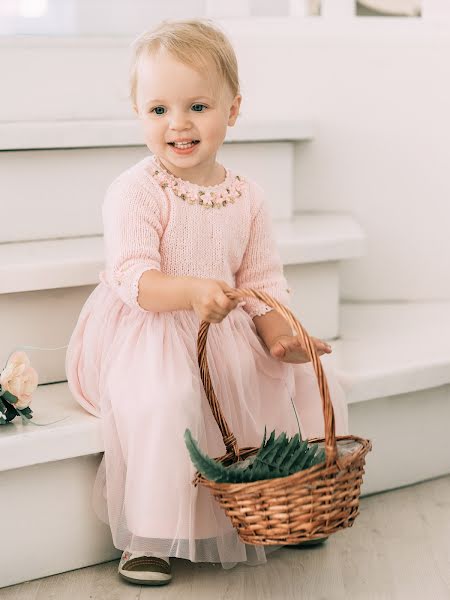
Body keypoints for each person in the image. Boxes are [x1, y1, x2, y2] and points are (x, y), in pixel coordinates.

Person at [65, 18, 349, 587]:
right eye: (158, 110)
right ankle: (149, 534)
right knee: (166, 399)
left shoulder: (247, 196)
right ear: (139, 112)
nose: (179, 125)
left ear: (232, 110)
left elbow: (262, 279)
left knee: (301, 381)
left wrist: (277, 336)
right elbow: (132, 276)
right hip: (151, 328)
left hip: (224, 325)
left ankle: (283, 494)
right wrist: (191, 291)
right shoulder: (136, 190)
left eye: (197, 106)